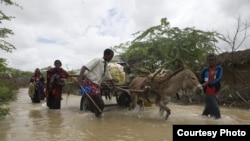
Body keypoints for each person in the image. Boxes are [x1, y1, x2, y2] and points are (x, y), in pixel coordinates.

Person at [77, 48, 114, 117]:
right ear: (106, 55)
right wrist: (79, 80)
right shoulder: (98, 60)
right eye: (111, 56)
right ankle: (96, 117)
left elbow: (109, 76)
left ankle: (95, 119)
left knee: (96, 105)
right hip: (90, 84)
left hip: (97, 86)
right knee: (101, 104)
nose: (111, 58)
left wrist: (113, 86)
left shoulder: (106, 64)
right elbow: (84, 67)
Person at [200, 54, 223, 119]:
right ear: (207, 61)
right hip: (208, 92)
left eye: (212, 60)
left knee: (207, 111)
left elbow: (219, 78)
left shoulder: (219, 69)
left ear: (215, 61)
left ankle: (203, 119)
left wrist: (208, 83)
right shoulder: (205, 70)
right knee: (216, 113)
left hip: (216, 91)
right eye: (209, 60)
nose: (211, 62)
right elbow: (201, 79)